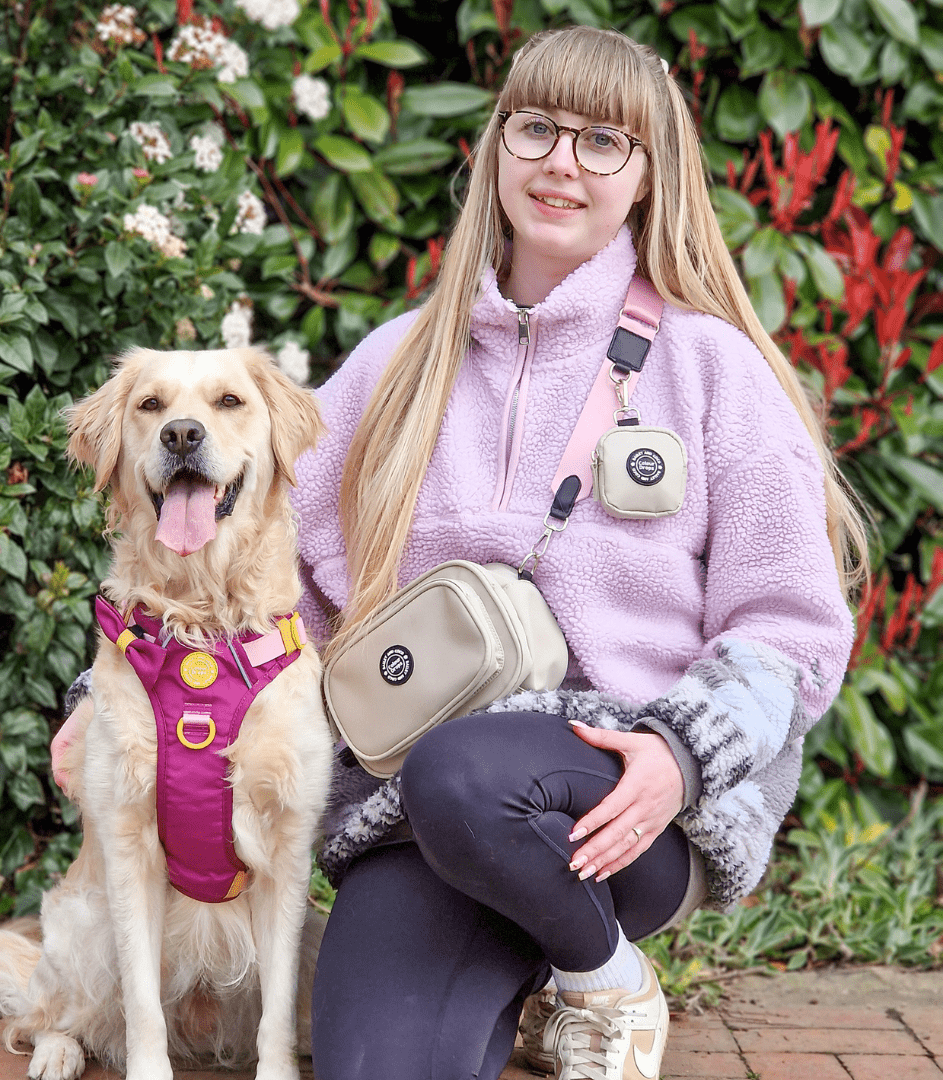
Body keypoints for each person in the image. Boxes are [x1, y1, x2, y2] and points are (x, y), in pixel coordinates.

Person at [54, 25, 863, 1080]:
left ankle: (603, 973)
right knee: (371, 1063)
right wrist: (107, 694)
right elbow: (258, 565)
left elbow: (792, 626)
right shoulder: (397, 362)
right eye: (536, 128)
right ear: (494, 150)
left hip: (625, 799)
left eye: (604, 142)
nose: (562, 161)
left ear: (650, 175)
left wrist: (680, 754)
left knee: (466, 772)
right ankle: (524, 976)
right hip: (416, 810)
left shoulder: (713, 370)